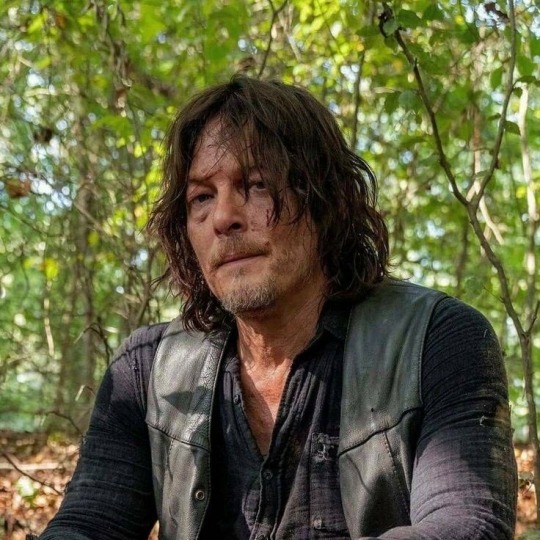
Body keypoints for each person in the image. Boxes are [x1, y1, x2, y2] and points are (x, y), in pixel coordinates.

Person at [38, 76, 517, 540]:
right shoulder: (146, 371)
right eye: (201, 197)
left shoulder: (437, 341)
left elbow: (464, 526)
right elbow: (87, 524)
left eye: (256, 185)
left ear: (326, 199)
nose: (224, 217)